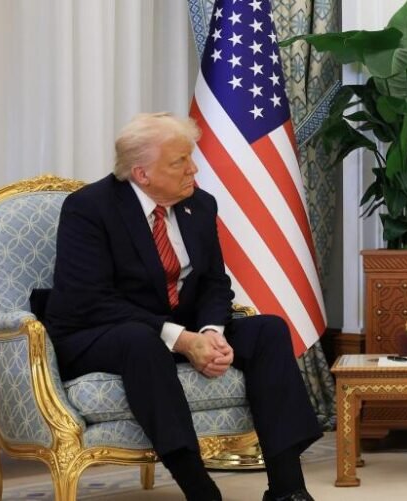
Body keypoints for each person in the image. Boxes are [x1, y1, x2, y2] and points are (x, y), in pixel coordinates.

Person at [45, 113, 322, 501]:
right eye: (179, 161)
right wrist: (180, 339)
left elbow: (214, 283)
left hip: (177, 327)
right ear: (142, 174)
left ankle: (288, 488)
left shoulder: (200, 206)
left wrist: (210, 332)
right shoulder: (89, 208)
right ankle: (200, 488)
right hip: (96, 333)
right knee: (141, 340)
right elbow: (93, 300)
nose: (193, 168)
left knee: (269, 329)